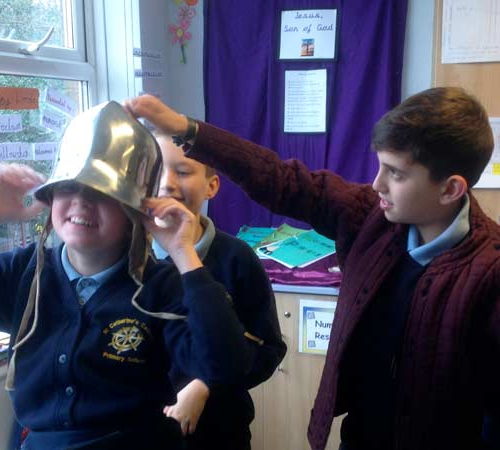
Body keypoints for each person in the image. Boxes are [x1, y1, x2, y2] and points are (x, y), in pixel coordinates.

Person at [125, 88, 500, 450]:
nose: (376, 183)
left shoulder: (490, 271)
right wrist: (185, 128)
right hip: (361, 437)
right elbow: (280, 179)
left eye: (396, 174)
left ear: (451, 189)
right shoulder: (369, 215)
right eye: (379, 166)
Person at [0, 102, 252, 450]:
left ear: (135, 211)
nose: (82, 202)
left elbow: (226, 368)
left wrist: (184, 253)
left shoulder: (161, 288)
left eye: (103, 193)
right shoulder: (24, 275)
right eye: (69, 188)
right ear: (51, 197)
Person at [153, 134, 287, 449]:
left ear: (211, 186)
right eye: (154, 170)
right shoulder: (127, 256)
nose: (166, 184)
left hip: (221, 433)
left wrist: (206, 384)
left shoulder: (236, 258)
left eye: (183, 172)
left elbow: (268, 349)